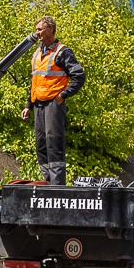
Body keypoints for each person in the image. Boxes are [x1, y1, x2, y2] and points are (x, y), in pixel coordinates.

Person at [19, 15, 85, 184]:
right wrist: (28, 105)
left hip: (54, 105)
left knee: (53, 145)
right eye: (37, 29)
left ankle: (57, 186)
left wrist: (63, 95)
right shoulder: (37, 53)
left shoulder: (62, 52)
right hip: (39, 105)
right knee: (40, 146)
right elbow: (35, 81)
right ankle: (47, 183)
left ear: (51, 29)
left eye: (40, 29)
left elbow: (79, 76)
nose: (37, 33)